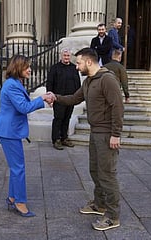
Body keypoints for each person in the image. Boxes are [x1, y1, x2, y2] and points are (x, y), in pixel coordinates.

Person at [47, 47, 124, 231]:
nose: (76, 67)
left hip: (106, 134)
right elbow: (74, 98)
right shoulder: (89, 81)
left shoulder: (107, 79)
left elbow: (118, 107)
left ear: (89, 62)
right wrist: (55, 97)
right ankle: (100, 204)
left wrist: (115, 134)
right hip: (95, 132)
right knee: (95, 171)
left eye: (79, 62)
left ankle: (113, 217)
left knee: (107, 175)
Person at [0, 55, 54, 217]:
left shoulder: (14, 83)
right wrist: (42, 99)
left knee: (16, 167)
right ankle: (20, 202)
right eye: (27, 67)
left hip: (9, 131)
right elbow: (23, 107)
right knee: (18, 168)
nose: (30, 69)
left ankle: (13, 197)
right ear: (18, 68)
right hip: (9, 132)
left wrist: (43, 98)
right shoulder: (12, 85)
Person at [46, 48, 81, 150]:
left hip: (70, 99)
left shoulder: (74, 68)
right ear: (61, 56)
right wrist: (50, 97)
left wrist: (78, 97)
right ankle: (56, 139)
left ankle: (64, 138)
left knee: (67, 119)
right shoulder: (55, 68)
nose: (66, 57)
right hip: (58, 99)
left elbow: (77, 83)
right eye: (65, 56)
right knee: (58, 119)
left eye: (68, 56)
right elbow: (50, 83)